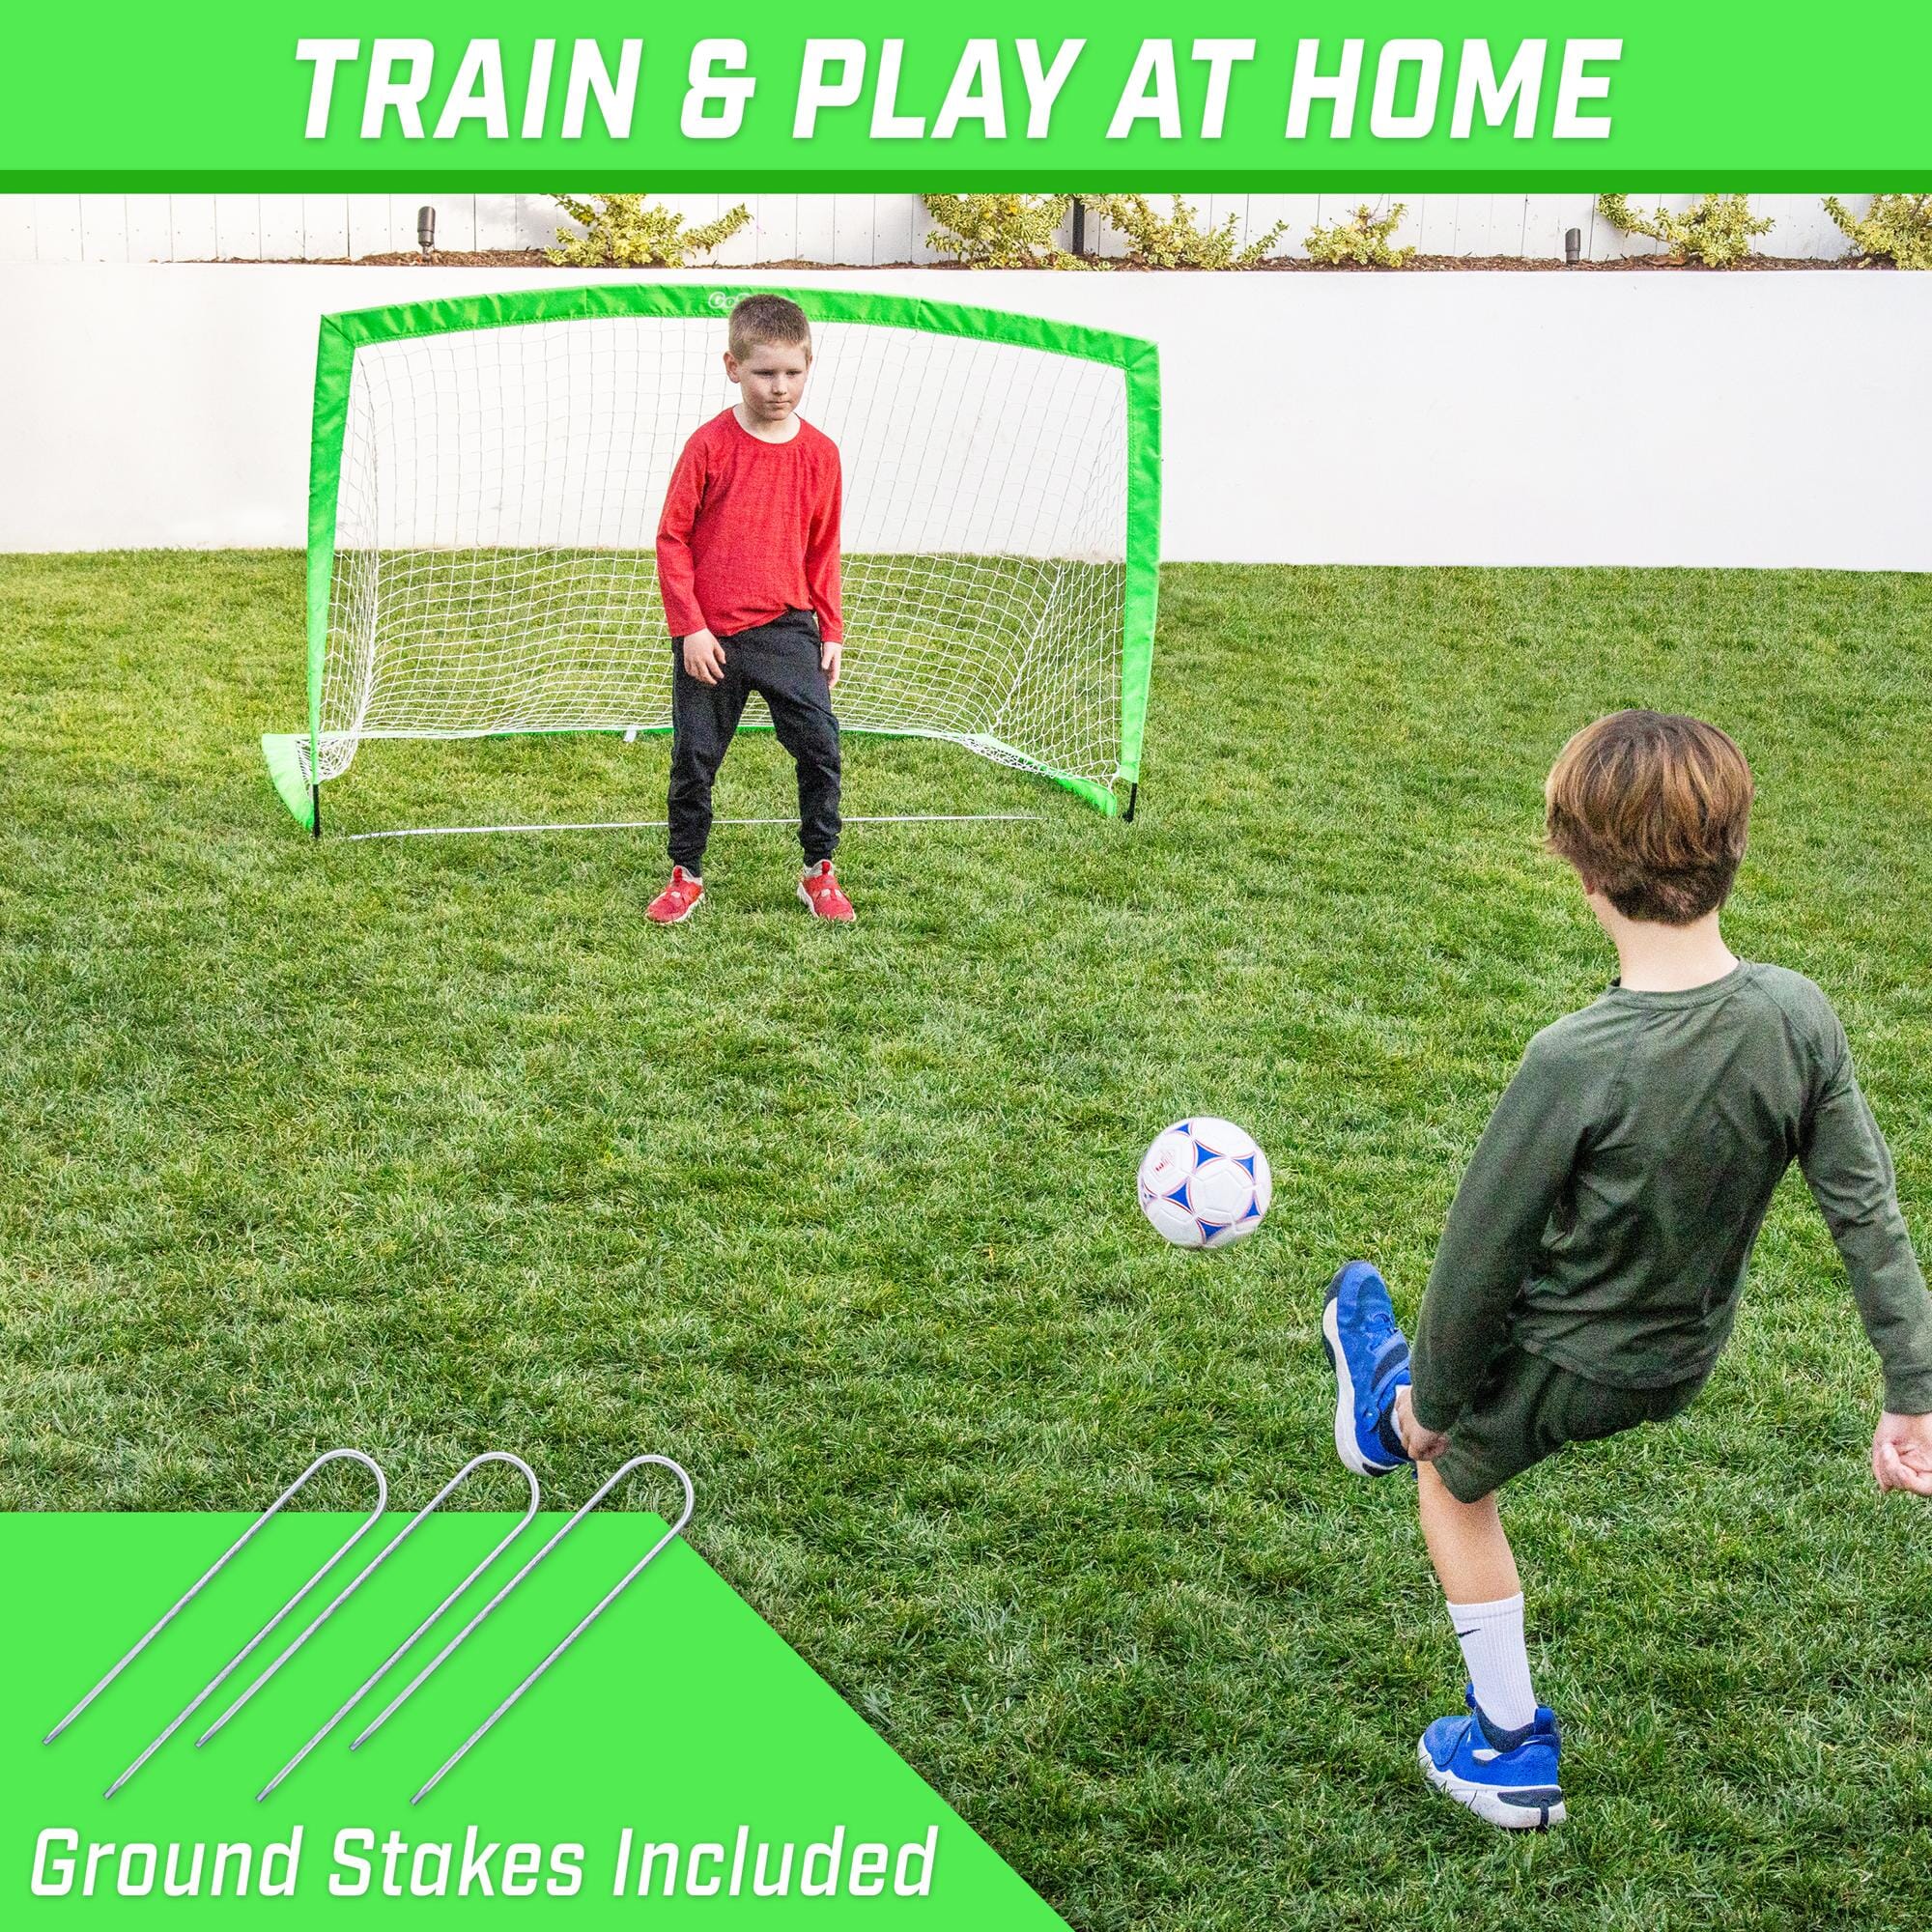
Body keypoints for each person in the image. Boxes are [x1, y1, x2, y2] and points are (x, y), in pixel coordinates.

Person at [1321, 709, 1932, 1831]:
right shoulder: (1796, 1015)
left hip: (1568, 1357)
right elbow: (1865, 1213)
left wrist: (1437, 1409)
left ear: (1579, 868)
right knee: (1434, 1396)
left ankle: (1504, 1745)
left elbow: (1476, 1264)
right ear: (1735, 845)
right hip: (1679, 1357)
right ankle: (1385, 1400)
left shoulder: (1572, 1059)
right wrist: (1912, 1391)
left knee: (1447, 1481)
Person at [647, 293, 853, 924]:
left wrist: (831, 628)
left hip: (788, 628)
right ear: (733, 367)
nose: (779, 386)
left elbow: (823, 547)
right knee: (694, 758)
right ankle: (686, 873)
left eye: (793, 372)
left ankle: (819, 870)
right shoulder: (709, 446)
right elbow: (672, 539)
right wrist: (690, 628)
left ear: (809, 366)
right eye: (765, 372)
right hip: (711, 637)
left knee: (820, 747)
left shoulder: (821, 454)